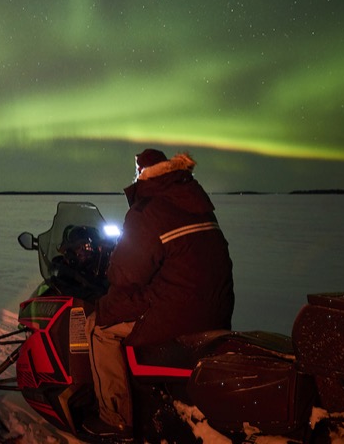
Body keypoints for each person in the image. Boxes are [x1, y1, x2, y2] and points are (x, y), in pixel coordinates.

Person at [82, 149, 235, 440]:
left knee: (98, 326)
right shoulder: (198, 204)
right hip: (216, 308)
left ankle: (114, 419)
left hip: (177, 313)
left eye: (136, 172)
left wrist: (111, 271)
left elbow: (125, 275)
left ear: (143, 173)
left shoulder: (148, 210)